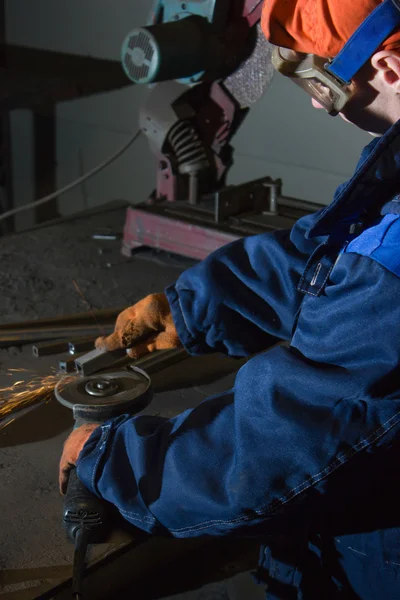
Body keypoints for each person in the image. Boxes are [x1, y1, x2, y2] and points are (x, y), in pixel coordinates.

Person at [59, 1, 400, 597]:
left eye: (320, 80)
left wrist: (111, 461)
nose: (319, 104)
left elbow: (289, 444)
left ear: (389, 67)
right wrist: (190, 307)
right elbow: (324, 256)